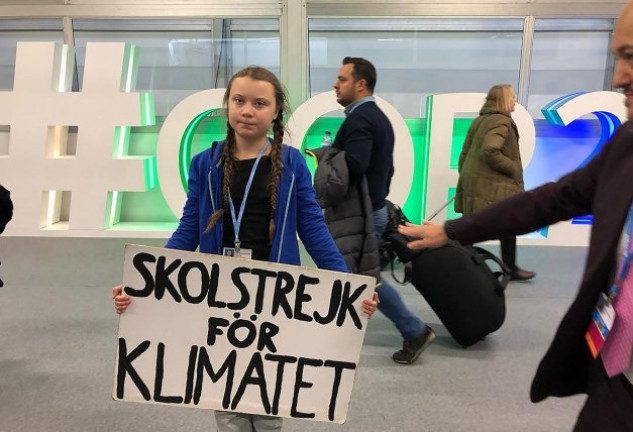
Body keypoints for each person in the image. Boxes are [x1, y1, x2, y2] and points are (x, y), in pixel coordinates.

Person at [397, 3, 633, 429]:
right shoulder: (627, 147)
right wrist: (452, 230)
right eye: (618, 56)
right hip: (617, 374)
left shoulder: (486, 119)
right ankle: (511, 266)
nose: (617, 76)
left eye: (631, 56)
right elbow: (557, 198)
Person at [113, 66, 377, 432]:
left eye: (259, 103)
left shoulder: (293, 164)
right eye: (239, 101)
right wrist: (147, 281)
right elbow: (190, 227)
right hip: (219, 293)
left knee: (269, 388)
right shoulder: (206, 164)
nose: (247, 110)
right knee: (224, 387)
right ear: (228, 106)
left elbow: (313, 228)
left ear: (275, 112)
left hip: (275, 295)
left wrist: (349, 287)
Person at [330, 56, 434, 365]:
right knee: (354, 273)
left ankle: (414, 329)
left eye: (342, 79)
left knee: (363, 276)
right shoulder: (377, 116)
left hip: (362, 212)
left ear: (361, 84)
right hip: (372, 207)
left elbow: (357, 163)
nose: (336, 84)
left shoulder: (360, 119)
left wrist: (326, 158)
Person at [455, 84, 535, 281]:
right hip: (495, 186)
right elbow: (490, 150)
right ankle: (508, 269)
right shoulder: (502, 122)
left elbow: (464, 153)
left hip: (475, 182)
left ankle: (468, 268)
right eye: (512, 96)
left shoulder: (480, 120)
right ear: (503, 100)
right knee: (507, 225)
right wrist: (513, 167)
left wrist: (468, 175)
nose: (515, 100)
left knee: (474, 228)